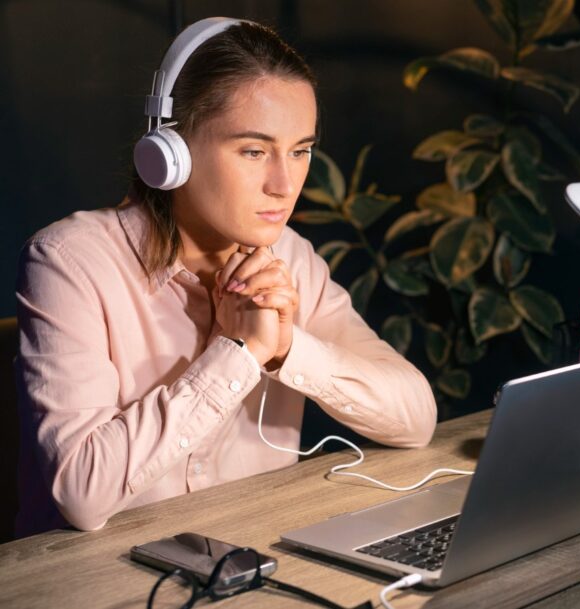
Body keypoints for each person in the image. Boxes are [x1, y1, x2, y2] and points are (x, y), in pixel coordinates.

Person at [14, 18, 436, 537]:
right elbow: (82, 493)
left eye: (300, 150)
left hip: (247, 567)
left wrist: (285, 349)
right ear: (169, 153)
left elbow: (416, 419)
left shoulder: (291, 258)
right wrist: (238, 350)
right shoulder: (68, 262)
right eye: (254, 151)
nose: (284, 184)